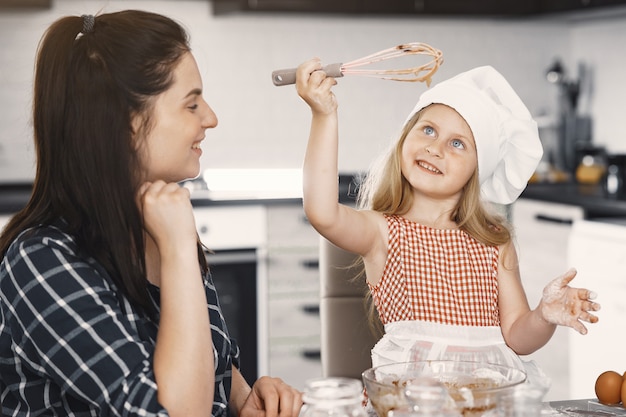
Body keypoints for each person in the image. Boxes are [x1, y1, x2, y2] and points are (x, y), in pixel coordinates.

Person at [0, 10, 302, 417]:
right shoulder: (41, 261)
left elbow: (210, 369)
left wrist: (246, 398)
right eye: (191, 104)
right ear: (127, 122)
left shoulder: (163, 223)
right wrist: (178, 249)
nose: (211, 118)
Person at [294, 60, 601, 382]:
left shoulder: (494, 240)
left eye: (457, 143)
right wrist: (323, 114)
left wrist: (543, 315)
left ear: (477, 169)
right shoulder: (382, 231)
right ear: (404, 138)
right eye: (428, 130)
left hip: (489, 399)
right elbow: (322, 212)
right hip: (412, 400)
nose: (434, 148)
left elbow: (518, 338)